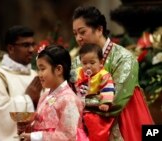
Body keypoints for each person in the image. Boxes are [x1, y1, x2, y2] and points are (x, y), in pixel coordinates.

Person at [71, 6, 154, 141]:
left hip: (124, 124)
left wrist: (78, 102)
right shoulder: (77, 62)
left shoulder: (124, 58)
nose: (78, 38)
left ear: (99, 29)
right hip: (85, 127)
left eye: (82, 32)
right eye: (75, 34)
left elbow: (116, 100)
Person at [0, 25, 43, 141]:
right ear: (10, 48)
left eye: (32, 44)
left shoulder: (36, 75)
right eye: (25, 45)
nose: (31, 50)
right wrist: (28, 99)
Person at [20, 44, 88, 141]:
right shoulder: (44, 96)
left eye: (42, 69)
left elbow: (68, 136)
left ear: (58, 69)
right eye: (38, 69)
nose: (39, 74)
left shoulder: (69, 99)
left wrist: (34, 137)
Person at [76, 43, 115, 141]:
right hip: (79, 108)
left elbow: (108, 88)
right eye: (84, 63)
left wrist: (105, 102)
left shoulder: (103, 75)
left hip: (94, 110)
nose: (88, 66)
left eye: (92, 63)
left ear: (101, 62)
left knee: (96, 131)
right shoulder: (79, 73)